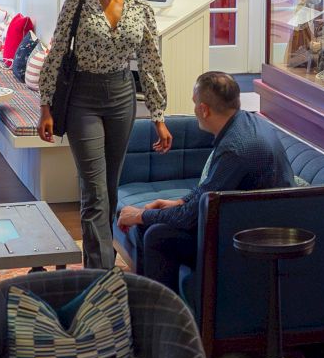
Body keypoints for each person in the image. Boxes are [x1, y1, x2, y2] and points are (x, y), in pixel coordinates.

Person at [38, 0, 172, 269]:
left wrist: (158, 117)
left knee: (110, 189)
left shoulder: (141, 9)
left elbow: (151, 63)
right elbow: (56, 56)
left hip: (122, 97)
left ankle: (100, 259)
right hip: (83, 97)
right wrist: (45, 107)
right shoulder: (78, 2)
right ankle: (100, 273)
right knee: (95, 191)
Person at [117, 71, 293, 292]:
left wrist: (140, 215)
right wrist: (179, 202)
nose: (194, 110)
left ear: (204, 110)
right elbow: (210, 191)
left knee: (157, 235)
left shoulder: (235, 149)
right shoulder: (248, 123)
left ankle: (163, 317)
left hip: (249, 237)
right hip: (250, 219)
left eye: (194, 103)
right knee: (151, 226)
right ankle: (152, 309)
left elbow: (193, 216)